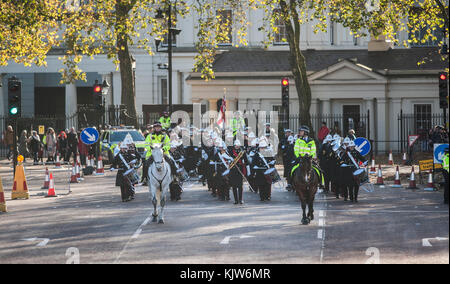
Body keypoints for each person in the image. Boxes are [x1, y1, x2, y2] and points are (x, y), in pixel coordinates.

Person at [229, 140, 248, 205]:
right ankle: (236, 200)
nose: (236, 146)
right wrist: (230, 160)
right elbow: (228, 161)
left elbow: (247, 161)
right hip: (233, 170)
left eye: (238, 145)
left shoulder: (242, 152)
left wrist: (243, 162)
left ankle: (240, 199)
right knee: (234, 186)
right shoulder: (231, 152)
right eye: (235, 145)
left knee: (240, 186)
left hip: (240, 169)